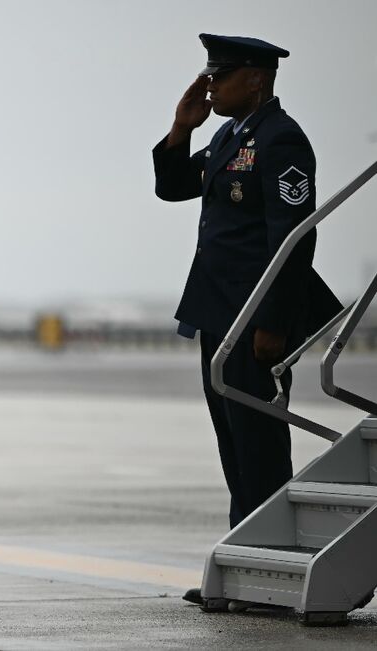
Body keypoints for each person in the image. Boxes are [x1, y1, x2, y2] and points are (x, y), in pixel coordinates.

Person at [152, 34, 341, 607]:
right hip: (219, 313)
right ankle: (243, 564)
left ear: (256, 78)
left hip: (254, 318)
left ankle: (269, 573)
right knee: (233, 443)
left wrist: (274, 323)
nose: (211, 84)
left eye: (223, 74)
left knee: (258, 443)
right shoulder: (227, 136)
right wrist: (181, 129)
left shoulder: (281, 140)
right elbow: (172, 188)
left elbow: (292, 237)